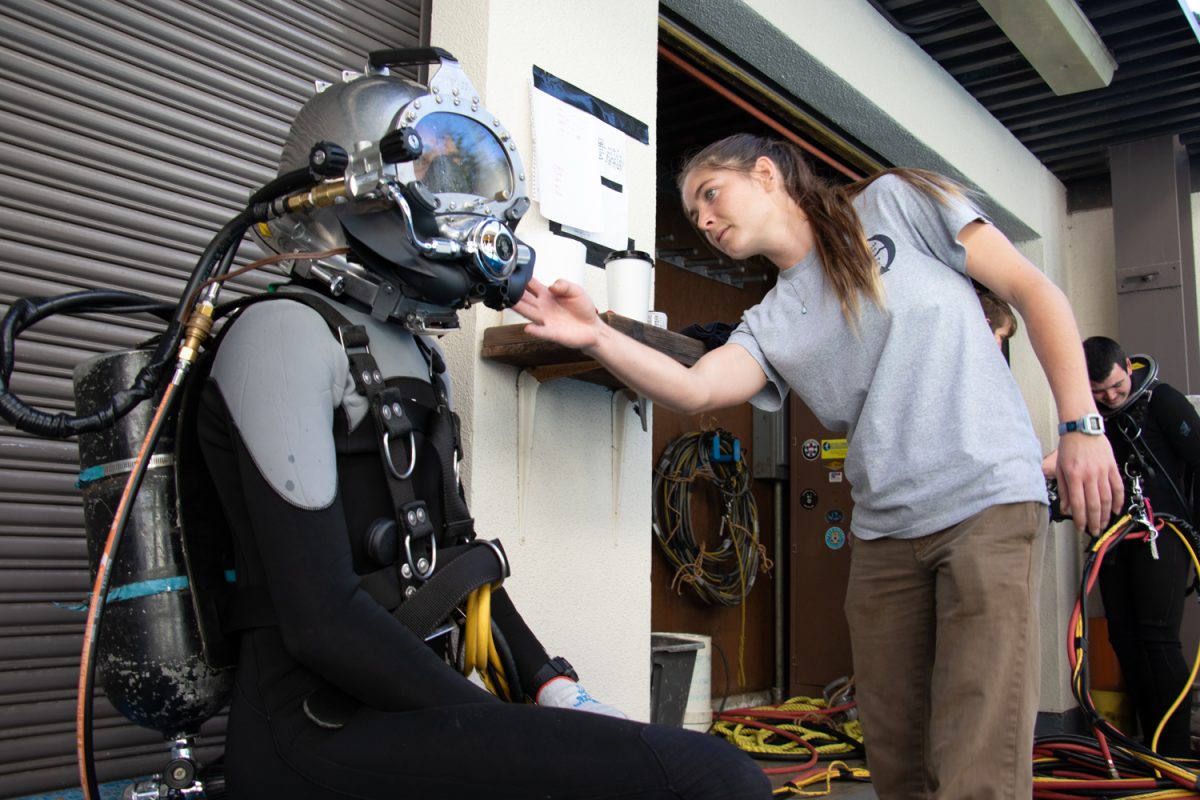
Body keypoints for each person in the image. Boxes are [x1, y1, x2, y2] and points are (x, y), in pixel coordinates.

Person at [189, 59, 772, 800]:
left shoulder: (416, 353)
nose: (471, 211)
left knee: (686, 761)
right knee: (715, 778)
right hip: (311, 728)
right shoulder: (283, 334)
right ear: (354, 185)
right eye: (440, 177)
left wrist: (549, 687)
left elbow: (458, 564)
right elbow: (319, 619)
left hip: (404, 705)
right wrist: (511, 736)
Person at [514, 133, 1122, 799]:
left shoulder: (896, 203)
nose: (705, 220)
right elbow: (696, 388)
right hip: (885, 534)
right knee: (897, 756)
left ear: (767, 173)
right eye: (692, 216)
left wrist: (1081, 424)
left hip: (987, 502)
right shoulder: (772, 317)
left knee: (977, 749)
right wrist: (598, 336)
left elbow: (1031, 288)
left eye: (710, 195)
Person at [1049, 336, 1199, 757]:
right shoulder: (1090, 419)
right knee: (1124, 638)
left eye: (1117, 387)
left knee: (1158, 638)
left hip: (1163, 534)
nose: (1112, 398)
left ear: (1129, 367)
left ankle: (1174, 752)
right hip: (1113, 538)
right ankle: (1146, 741)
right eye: (1100, 393)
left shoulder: (1163, 401)